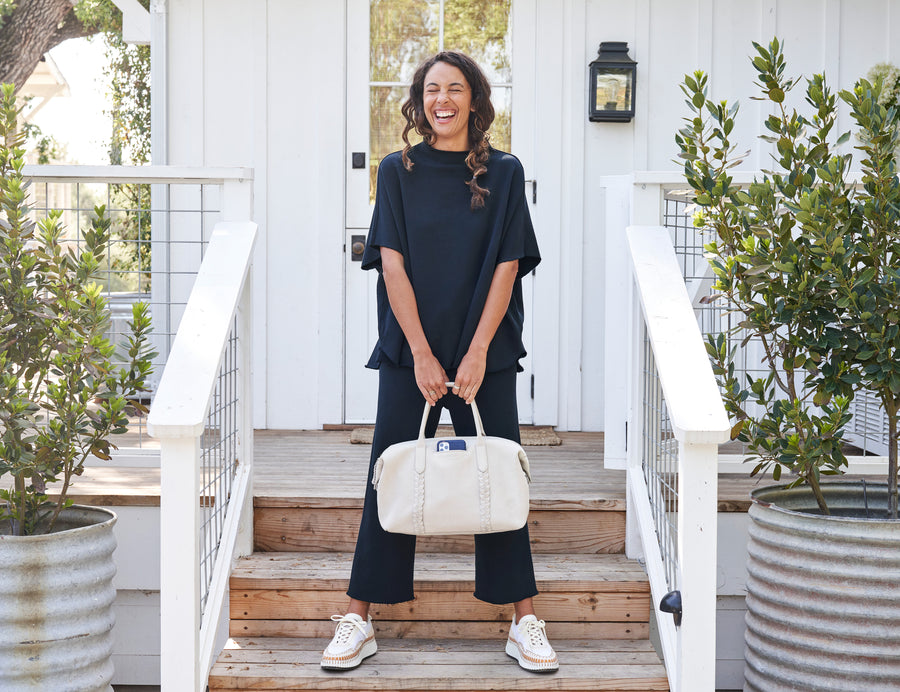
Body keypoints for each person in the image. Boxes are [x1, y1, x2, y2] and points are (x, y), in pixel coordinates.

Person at [320, 51, 557, 674]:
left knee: (500, 476)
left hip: (487, 350)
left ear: (474, 99)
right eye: (431, 89)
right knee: (387, 474)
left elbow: (508, 264)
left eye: (454, 88)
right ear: (418, 101)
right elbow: (391, 265)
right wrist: (422, 353)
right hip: (411, 352)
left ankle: (523, 621)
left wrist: (477, 351)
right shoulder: (396, 171)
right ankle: (359, 619)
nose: (442, 99)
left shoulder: (505, 172)